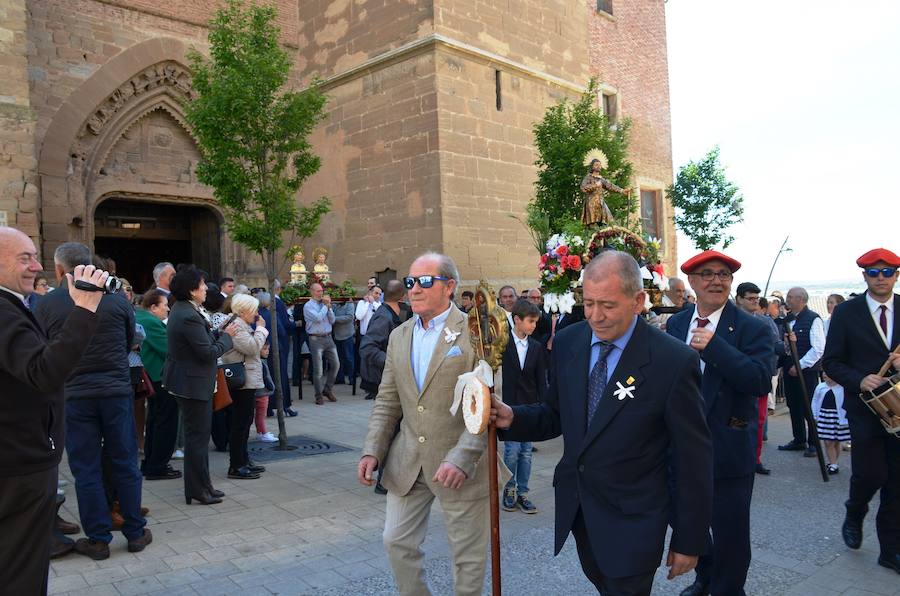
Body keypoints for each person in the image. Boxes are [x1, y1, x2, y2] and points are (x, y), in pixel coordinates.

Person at [491, 251, 711, 595]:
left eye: (608, 305)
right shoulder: (568, 342)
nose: (596, 316)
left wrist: (690, 538)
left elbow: (693, 458)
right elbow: (556, 414)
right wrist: (512, 416)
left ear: (638, 300)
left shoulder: (673, 361)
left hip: (635, 520)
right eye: (589, 303)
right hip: (580, 511)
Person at [358, 252, 496, 596]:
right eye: (410, 282)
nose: (414, 289)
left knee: (467, 558)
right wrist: (372, 450)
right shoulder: (399, 336)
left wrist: (464, 456)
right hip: (408, 460)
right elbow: (388, 399)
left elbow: (486, 403)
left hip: (459, 463)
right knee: (396, 541)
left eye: (424, 282)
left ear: (449, 286)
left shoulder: (475, 332)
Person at [0, 227, 108, 595]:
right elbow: (45, 371)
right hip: (19, 462)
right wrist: (85, 308)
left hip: (20, 455)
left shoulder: (15, 306)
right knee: (22, 571)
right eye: (24, 258)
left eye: (35, 256)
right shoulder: (4, 311)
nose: (36, 266)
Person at [667, 251, 774, 596]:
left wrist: (716, 349)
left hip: (727, 446)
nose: (717, 280)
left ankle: (728, 589)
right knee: (686, 520)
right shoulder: (677, 323)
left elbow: (759, 380)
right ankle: (706, 577)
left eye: (724, 275)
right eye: (708, 274)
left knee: (730, 532)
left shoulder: (752, 327)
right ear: (693, 282)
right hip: (680, 447)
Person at [35, 242, 152, 561]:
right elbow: (130, 340)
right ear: (91, 263)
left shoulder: (48, 304)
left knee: (85, 468)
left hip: (74, 395)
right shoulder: (116, 299)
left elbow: (43, 348)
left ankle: (98, 538)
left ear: (59, 270)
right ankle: (135, 531)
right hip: (114, 390)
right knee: (125, 461)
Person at [823, 247, 900, 575]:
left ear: (896, 275)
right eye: (874, 272)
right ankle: (855, 511)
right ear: (864, 275)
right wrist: (859, 379)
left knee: (897, 480)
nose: (881, 277)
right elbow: (831, 362)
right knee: (871, 473)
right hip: (864, 408)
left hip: (898, 408)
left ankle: (890, 550)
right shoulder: (847, 312)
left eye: (887, 271)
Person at [163, 266, 237, 505]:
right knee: (197, 440)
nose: (206, 288)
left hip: (191, 381)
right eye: (202, 285)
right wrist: (228, 338)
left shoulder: (185, 310)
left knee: (199, 438)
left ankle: (203, 486)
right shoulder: (187, 314)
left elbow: (201, 342)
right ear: (192, 290)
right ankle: (197, 489)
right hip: (192, 384)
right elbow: (207, 353)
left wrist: (219, 333)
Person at [359, 279, 407, 493]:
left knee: (397, 430)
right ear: (403, 298)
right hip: (385, 380)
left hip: (397, 379)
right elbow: (367, 347)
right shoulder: (383, 316)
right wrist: (392, 361)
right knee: (391, 429)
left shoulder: (395, 315)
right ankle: (383, 480)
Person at [501, 299, 548, 514]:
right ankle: (509, 489)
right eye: (530, 321)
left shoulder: (536, 347)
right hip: (508, 405)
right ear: (517, 320)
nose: (534, 326)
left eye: (536, 322)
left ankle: (523, 491)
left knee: (526, 451)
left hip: (529, 407)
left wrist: (544, 406)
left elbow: (541, 379)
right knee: (512, 451)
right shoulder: (503, 344)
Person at [735, 281, 782, 476]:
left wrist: (785, 345)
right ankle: (739, 456)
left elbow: (777, 345)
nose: (754, 302)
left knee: (759, 421)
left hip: (760, 379)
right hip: (737, 380)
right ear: (739, 299)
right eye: (750, 299)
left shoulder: (765, 321)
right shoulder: (731, 321)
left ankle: (755, 459)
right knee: (737, 421)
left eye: (756, 298)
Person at [221, 294, 269, 480]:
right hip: (241, 380)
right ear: (243, 311)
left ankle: (244, 459)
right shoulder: (235, 325)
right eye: (254, 310)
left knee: (245, 421)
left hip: (247, 378)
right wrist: (261, 330)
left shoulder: (240, 324)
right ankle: (236, 465)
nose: (257, 314)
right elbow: (251, 348)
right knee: (240, 423)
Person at [135, 290, 179, 480]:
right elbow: (169, 349)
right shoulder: (150, 321)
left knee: (155, 420)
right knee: (165, 422)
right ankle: (158, 465)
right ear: (153, 307)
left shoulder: (143, 317)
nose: (167, 309)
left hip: (154, 376)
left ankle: (152, 463)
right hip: (159, 377)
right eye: (164, 305)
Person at [778, 287, 825, 458]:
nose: (787, 299)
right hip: (789, 367)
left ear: (801, 299)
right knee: (794, 406)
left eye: (790, 297)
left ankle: (813, 443)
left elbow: (818, 348)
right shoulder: (789, 319)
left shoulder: (813, 319)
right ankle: (799, 439)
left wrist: (800, 365)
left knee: (809, 407)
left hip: (805, 371)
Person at [305, 281, 340, 405]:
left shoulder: (325, 305)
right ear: (312, 292)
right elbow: (318, 318)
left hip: (328, 337)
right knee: (318, 370)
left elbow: (332, 320)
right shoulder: (308, 306)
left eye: (322, 291)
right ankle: (318, 395)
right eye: (318, 291)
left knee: (336, 365)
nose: (321, 293)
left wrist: (329, 308)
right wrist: (326, 306)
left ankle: (327, 389)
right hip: (316, 339)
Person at [812, 374, 849, 475]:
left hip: (838, 417)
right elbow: (815, 401)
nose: (824, 374)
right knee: (828, 441)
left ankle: (834, 462)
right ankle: (833, 463)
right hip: (825, 416)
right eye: (823, 372)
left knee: (837, 441)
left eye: (827, 373)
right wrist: (815, 416)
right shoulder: (820, 387)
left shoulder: (842, 387)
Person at [580, 157, 630, 227]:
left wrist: (622, 190)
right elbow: (583, 187)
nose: (598, 167)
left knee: (609, 222)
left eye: (599, 165)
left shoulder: (601, 179)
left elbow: (610, 186)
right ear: (592, 166)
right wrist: (595, 185)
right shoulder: (588, 177)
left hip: (601, 203)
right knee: (594, 222)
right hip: (591, 203)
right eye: (596, 165)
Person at [332, 296, 356, 385]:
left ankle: (352, 378)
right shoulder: (334, 305)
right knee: (338, 358)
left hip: (347, 335)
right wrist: (334, 318)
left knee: (349, 358)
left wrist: (335, 319)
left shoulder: (350, 304)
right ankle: (339, 378)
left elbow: (349, 317)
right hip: (337, 335)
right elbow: (331, 315)